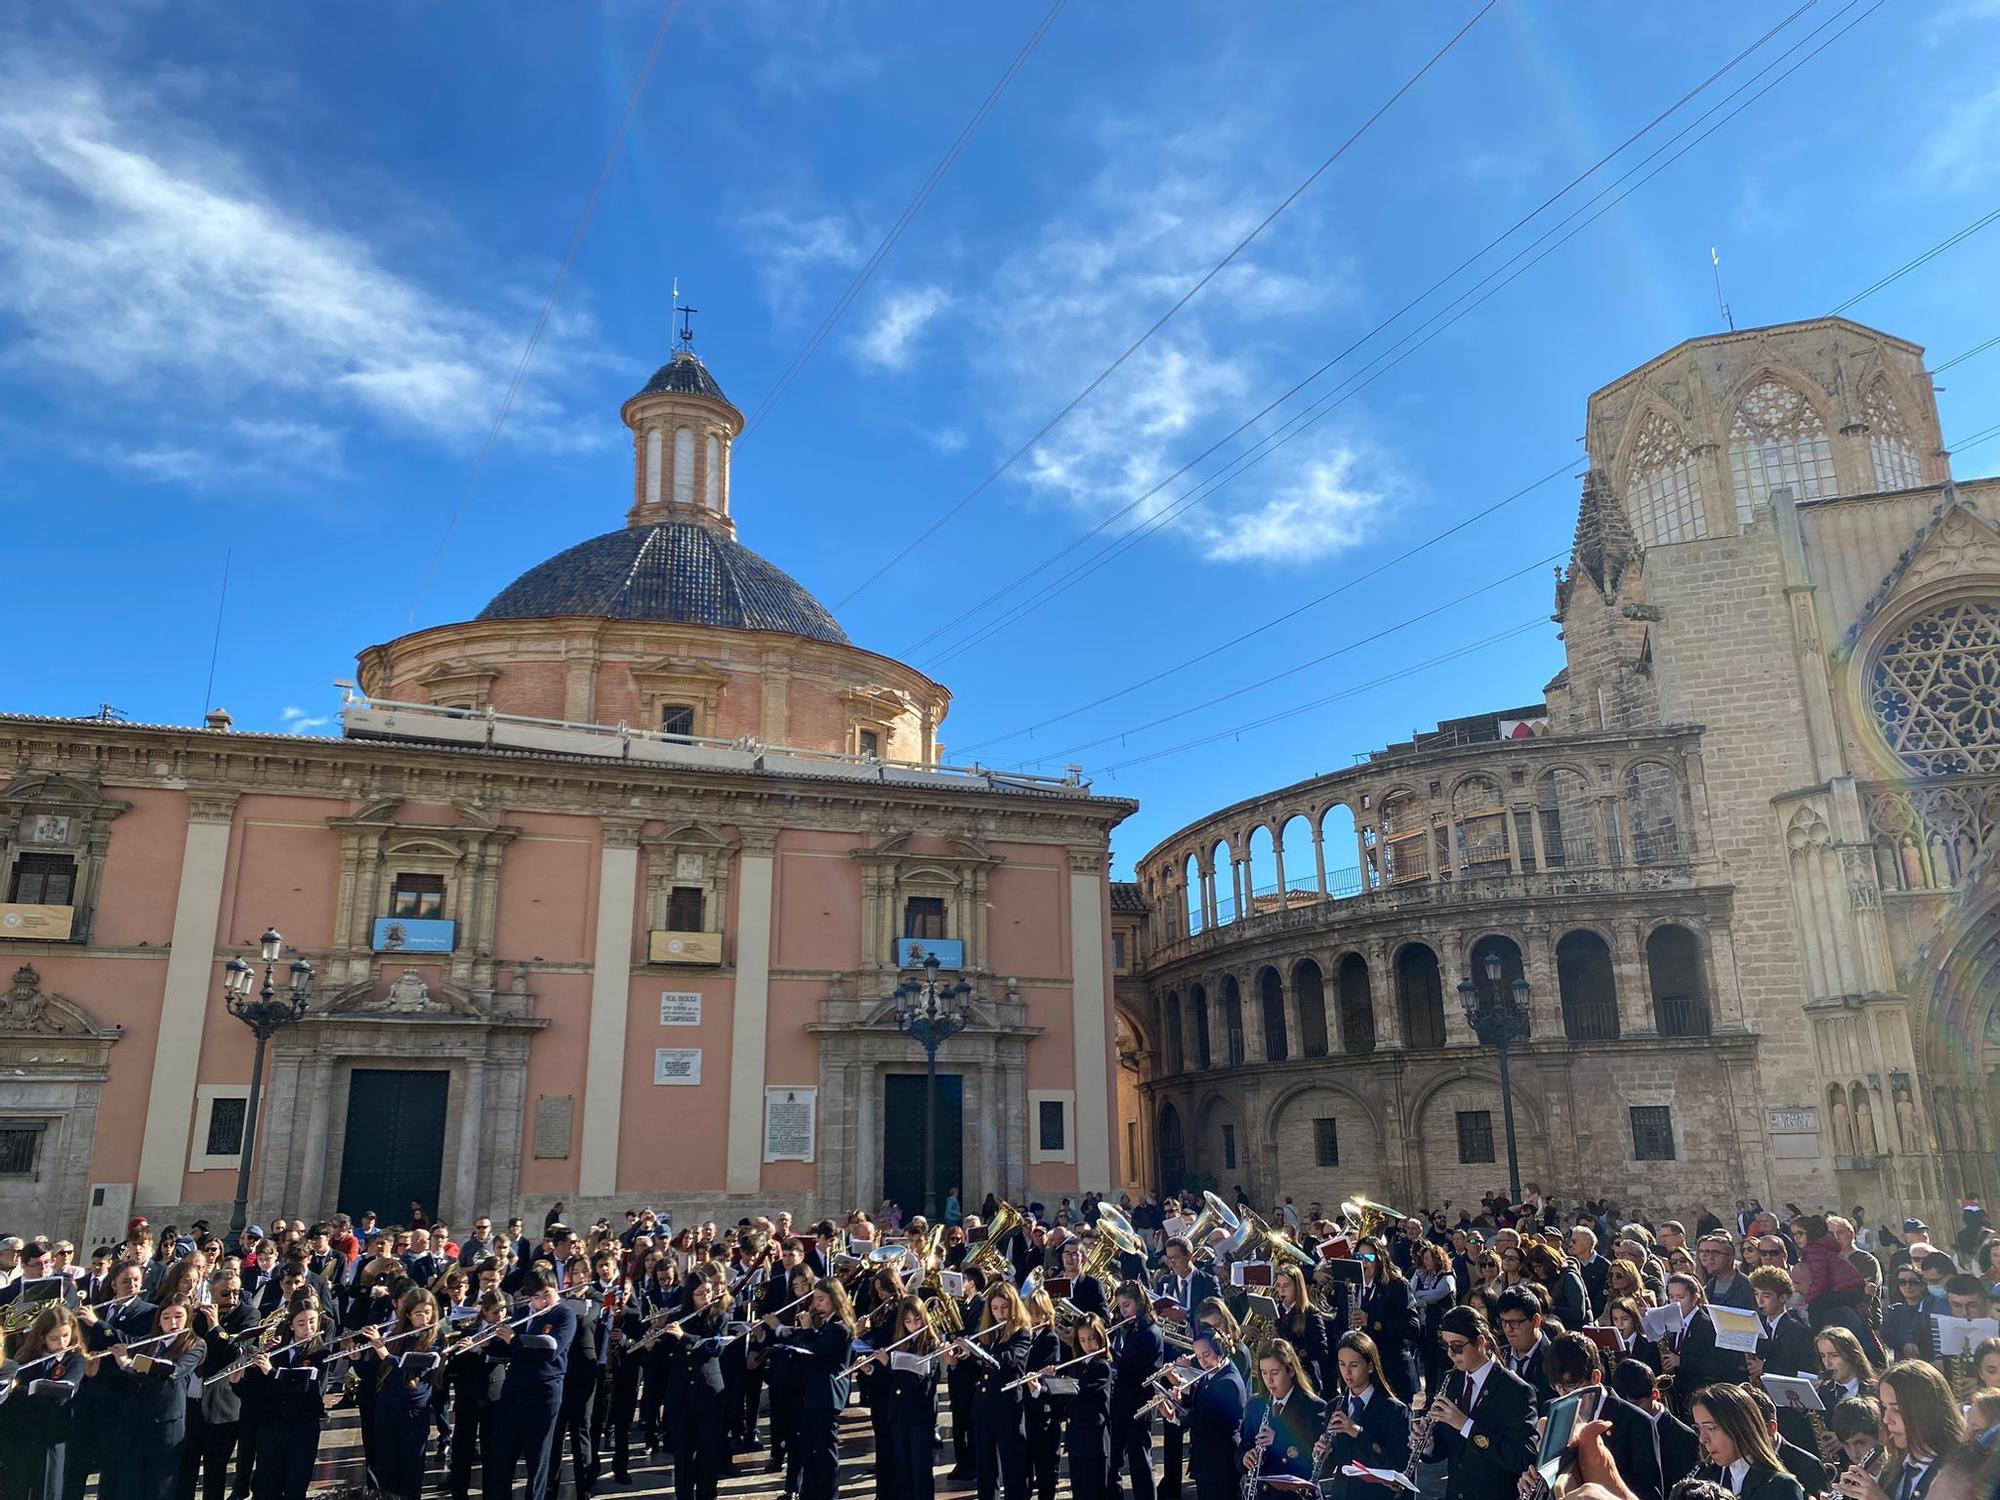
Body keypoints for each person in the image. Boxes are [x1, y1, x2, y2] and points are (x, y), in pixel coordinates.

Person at [1418, 1304, 1536, 1500]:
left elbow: (1523, 1457)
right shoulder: (1451, 1380)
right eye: (1446, 1346)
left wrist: (1466, 1425)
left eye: (1457, 1347)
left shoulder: (1517, 1391)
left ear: (1480, 1342)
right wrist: (1428, 1443)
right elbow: (1447, 1446)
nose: (1450, 1354)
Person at [100, 1294, 204, 1500]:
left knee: (159, 1489)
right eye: (166, 1317)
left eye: (178, 1316)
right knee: (131, 1486)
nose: (172, 1323)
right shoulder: (148, 1341)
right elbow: (130, 1373)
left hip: (165, 1426)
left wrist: (128, 1364)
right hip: (135, 1424)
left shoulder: (195, 1345)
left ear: (188, 1318)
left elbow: (172, 1372)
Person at [486, 1268, 576, 1500]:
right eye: (536, 1297)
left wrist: (514, 1341)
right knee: (502, 1457)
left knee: (537, 1461)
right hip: (514, 1393)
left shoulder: (564, 1315)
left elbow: (550, 1351)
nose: (543, 1301)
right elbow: (508, 1351)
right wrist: (485, 1344)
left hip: (543, 1395)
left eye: (547, 1294)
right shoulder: (522, 1313)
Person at [766, 1276, 856, 1500]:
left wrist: (806, 1330)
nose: (816, 1304)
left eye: (821, 1299)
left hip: (827, 1396)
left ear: (835, 1300)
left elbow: (815, 1352)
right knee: (808, 1450)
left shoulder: (840, 1328)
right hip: (811, 1396)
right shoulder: (825, 1326)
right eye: (815, 1300)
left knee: (825, 1454)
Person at [1544, 1331, 1664, 1500]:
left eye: (1570, 1387)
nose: (1563, 1396)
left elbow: (1651, 1495)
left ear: (1595, 1377)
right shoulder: (1551, 1409)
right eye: (1557, 1387)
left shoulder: (1637, 1422)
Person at [1835, 1360, 1965, 1500]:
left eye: (1897, 1409)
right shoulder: (1891, 1468)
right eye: (1884, 1408)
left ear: (1925, 1411)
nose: (1886, 1419)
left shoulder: (1956, 1470)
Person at [359, 1287, 442, 1500]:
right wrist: (357, 1357)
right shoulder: (395, 1336)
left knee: (411, 1470)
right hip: (388, 1409)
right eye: (418, 1313)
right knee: (387, 1467)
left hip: (414, 1412)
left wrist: (385, 1353)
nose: (424, 1318)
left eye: (428, 1312)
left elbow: (413, 1367)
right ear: (407, 1315)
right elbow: (371, 1372)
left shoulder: (437, 1340)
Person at [955, 1280, 1034, 1500]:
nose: (1000, 1313)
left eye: (1004, 1307)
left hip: (1007, 1410)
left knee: (1013, 1472)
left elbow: (1008, 1360)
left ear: (1013, 1306)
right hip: (984, 1410)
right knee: (985, 1472)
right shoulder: (988, 1335)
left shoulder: (1022, 1333)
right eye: (995, 1308)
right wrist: (961, 1357)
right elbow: (979, 1370)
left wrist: (978, 1353)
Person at [0, 1302, 87, 1500]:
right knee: (13, 1490)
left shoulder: (75, 1360)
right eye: (54, 1338)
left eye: (65, 1336)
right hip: (21, 1437)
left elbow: (62, 1394)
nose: (61, 1343)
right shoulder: (27, 1359)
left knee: (47, 1492)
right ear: (42, 1337)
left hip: (51, 1437)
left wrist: (21, 1390)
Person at [1313, 1330, 1411, 1496]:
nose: (1347, 1372)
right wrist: (1320, 1455)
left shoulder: (1394, 1410)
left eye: (1354, 1365)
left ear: (1370, 1366)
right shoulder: (1334, 1406)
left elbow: (1397, 1465)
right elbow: (1327, 1471)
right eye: (1342, 1364)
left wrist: (1357, 1432)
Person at [1687, 1382, 1805, 1500]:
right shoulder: (1704, 1480)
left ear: (1739, 1427)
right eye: (1698, 1428)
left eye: (1710, 1428)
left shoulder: (1780, 1488)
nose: (1703, 1439)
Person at [873, 1295, 939, 1500]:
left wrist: (891, 1364)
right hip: (898, 1413)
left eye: (917, 1320)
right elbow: (889, 1380)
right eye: (908, 1321)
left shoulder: (931, 1344)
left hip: (919, 1415)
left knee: (920, 1470)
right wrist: (870, 1369)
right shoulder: (899, 1343)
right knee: (902, 1470)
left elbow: (925, 1380)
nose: (913, 1325)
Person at [1237, 1336, 1326, 1483]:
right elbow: (1242, 1450)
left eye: (1275, 1373)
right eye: (1264, 1373)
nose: (1269, 1380)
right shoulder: (1255, 1405)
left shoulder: (1313, 1407)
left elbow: (1316, 1465)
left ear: (1290, 1371)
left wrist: (1278, 1440)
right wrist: (1245, 1458)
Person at [1108, 1279, 1164, 1500]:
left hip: (1138, 1405)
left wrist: (1106, 1349)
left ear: (1140, 1303)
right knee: (1113, 1462)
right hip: (1122, 1404)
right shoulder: (1132, 1327)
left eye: (1127, 1305)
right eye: (1120, 1306)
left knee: (1140, 1463)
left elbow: (1126, 1366)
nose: (1123, 1311)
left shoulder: (1149, 1333)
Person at [1610, 1357, 1700, 1494]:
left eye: (1637, 1404)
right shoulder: (1616, 1425)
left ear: (1655, 1394)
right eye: (1626, 1405)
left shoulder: (1684, 1437)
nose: (1632, 1412)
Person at [1184, 1324, 1248, 1500]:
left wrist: (1175, 1409)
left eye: (1207, 1355)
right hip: (1207, 1461)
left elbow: (1206, 1421)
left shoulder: (1228, 1382)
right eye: (1198, 1357)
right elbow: (1199, 1402)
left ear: (1220, 1350)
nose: (1203, 1361)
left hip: (1221, 1464)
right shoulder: (1211, 1372)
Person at [1354, 1234, 1420, 1402]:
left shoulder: (1396, 1285)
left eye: (1368, 1257)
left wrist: (1373, 1321)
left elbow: (1412, 1327)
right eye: (1359, 1257)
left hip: (1393, 1371)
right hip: (1363, 1376)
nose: (1363, 1263)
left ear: (1379, 1259)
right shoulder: (1351, 1287)